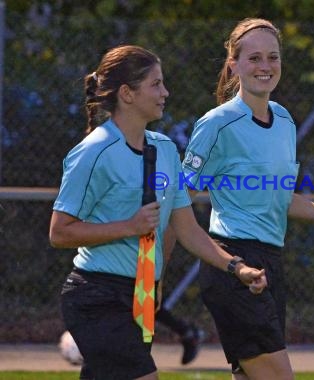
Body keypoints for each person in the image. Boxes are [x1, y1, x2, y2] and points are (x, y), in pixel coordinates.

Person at [181, 18, 314, 380]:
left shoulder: (285, 120)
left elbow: (282, 198)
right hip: (234, 264)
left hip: (271, 262)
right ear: (234, 65)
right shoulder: (217, 123)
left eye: (272, 58)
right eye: (254, 58)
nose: (265, 67)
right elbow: (178, 197)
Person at [50, 44, 267, 380]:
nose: (165, 92)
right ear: (127, 94)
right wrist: (128, 226)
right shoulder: (93, 151)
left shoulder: (164, 149)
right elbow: (60, 232)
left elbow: (188, 230)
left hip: (143, 297)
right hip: (95, 297)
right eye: (155, 84)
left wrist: (236, 267)